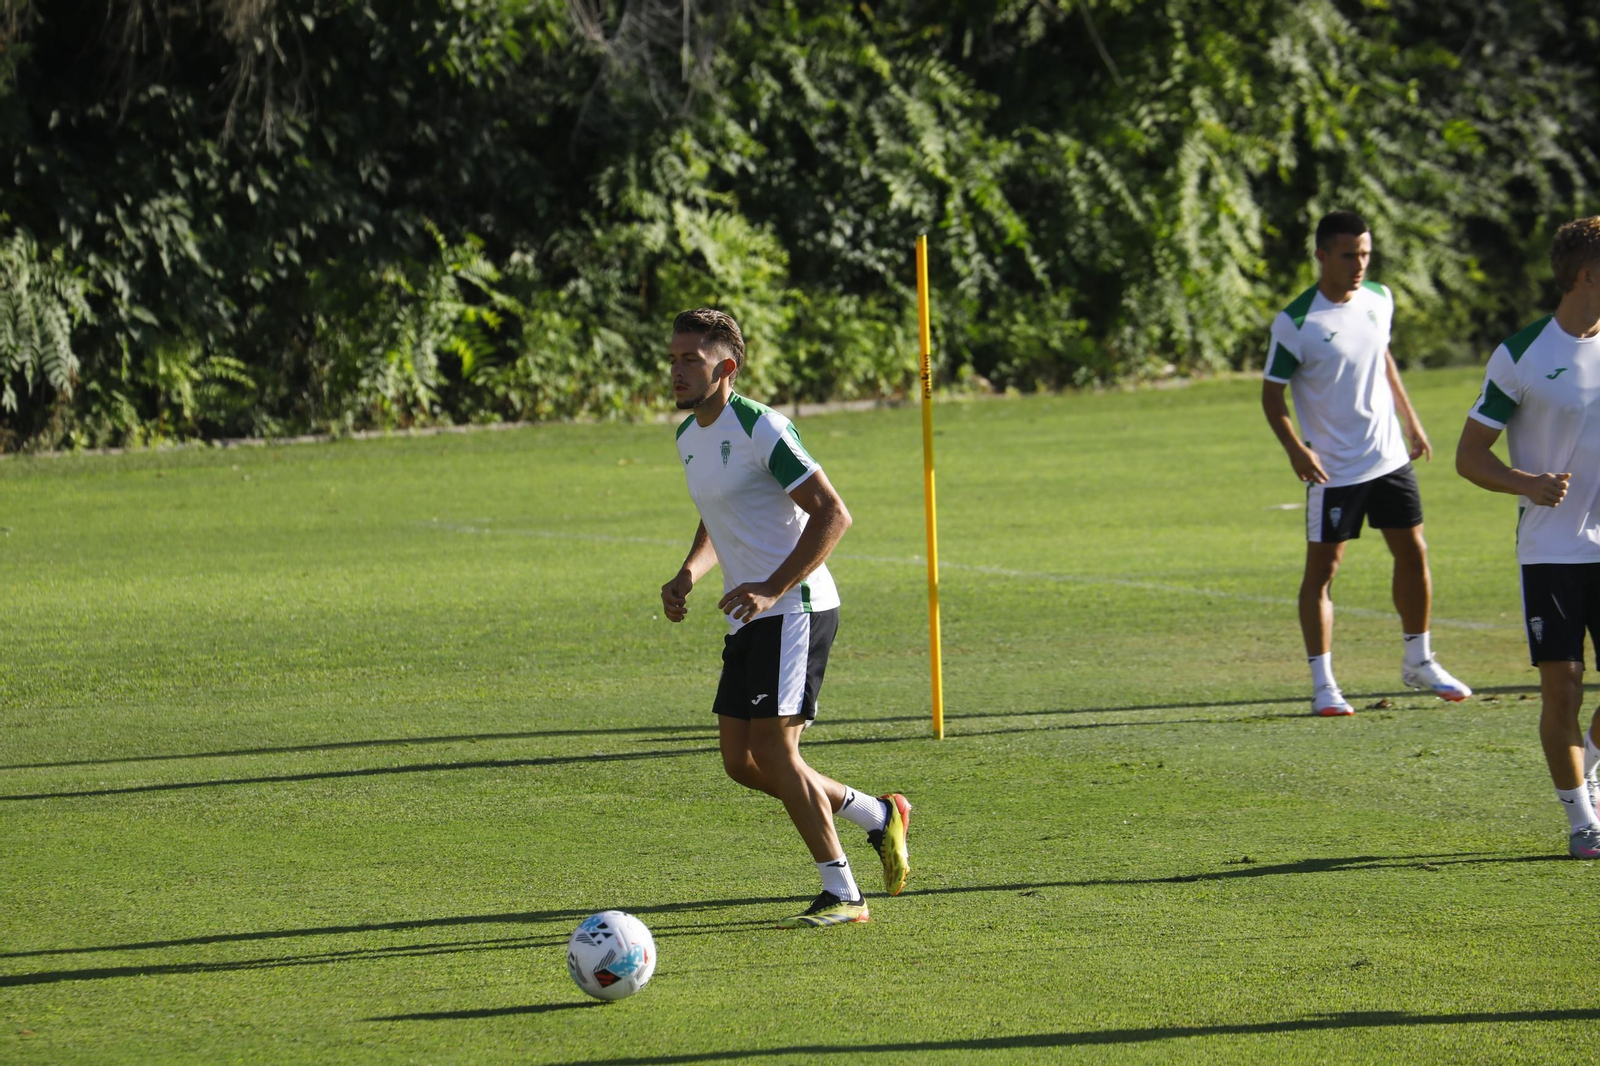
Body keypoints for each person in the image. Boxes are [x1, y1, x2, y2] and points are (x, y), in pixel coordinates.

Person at [659, 307, 911, 926]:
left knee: (776, 751)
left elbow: (833, 513)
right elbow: (721, 512)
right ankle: (877, 816)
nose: (677, 371)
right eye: (673, 359)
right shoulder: (689, 436)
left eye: (692, 359)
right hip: (749, 612)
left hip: (795, 606)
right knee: (741, 763)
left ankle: (844, 894)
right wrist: (690, 571)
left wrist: (773, 587)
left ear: (728, 367)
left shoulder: (761, 427)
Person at [1262, 210, 1472, 716]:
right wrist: (1297, 449)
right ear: (1320, 257)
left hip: (1389, 457)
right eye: (1348, 255)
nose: (1359, 264)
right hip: (1333, 469)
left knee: (1413, 551)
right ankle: (1323, 685)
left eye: (1365, 254)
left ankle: (1419, 660)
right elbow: (1272, 396)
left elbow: (1382, 358)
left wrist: (1411, 420)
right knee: (1323, 571)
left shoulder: (1380, 298)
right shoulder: (1296, 322)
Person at [1456, 216, 1600, 859]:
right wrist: (1526, 483)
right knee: (1563, 683)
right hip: (1551, 550)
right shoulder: (1521, 355)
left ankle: (1586, 768)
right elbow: (1469, 455)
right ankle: (1582, 821)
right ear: (1586, 276)